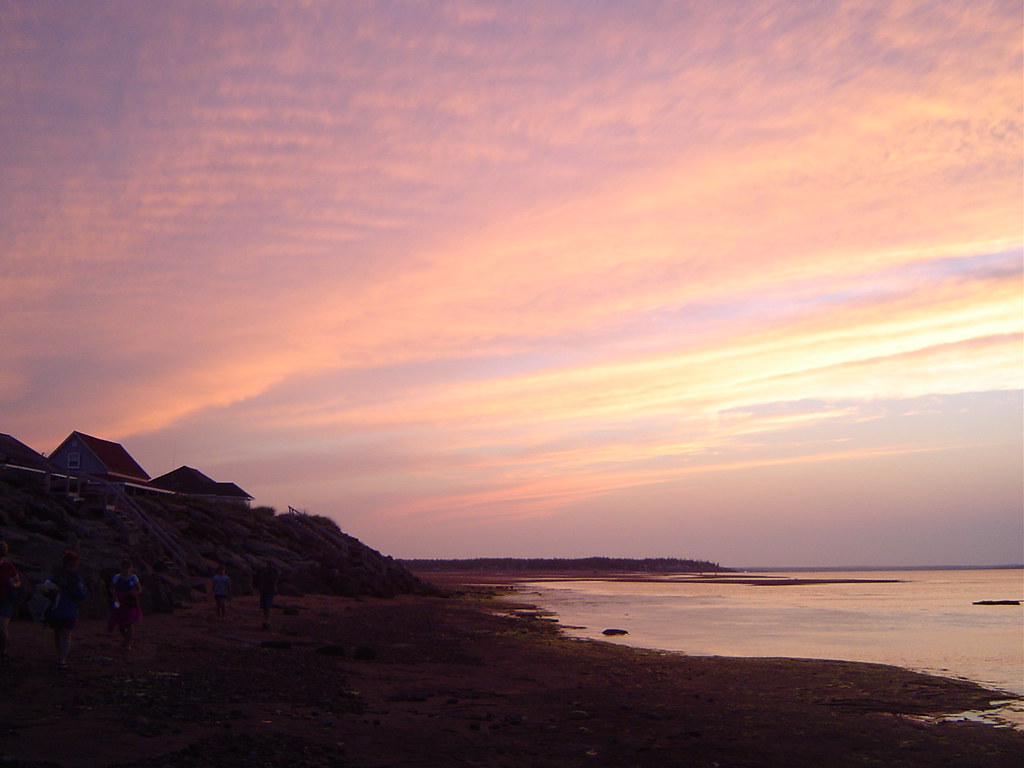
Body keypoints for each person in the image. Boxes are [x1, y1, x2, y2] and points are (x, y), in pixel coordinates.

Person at [48, 550, 87, 668]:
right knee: (58, 633)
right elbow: (47, 590)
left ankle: (62, 658)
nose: (72, 567)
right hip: (58, 608)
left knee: (66, 633)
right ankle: (60, 655)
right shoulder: (57, 577)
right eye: (70, 565)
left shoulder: (76, 579)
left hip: (69, 609)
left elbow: (82, 595)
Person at [107, 558, 142, 649]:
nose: (125, 570)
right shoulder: (117, 577)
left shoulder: (133, 577)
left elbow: (139, 589)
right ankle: (126, 639)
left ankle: (128, 643)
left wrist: (132, 595)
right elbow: (111, 588)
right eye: (124, 567)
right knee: (120, 622)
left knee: (129, 622)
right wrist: (115, 597)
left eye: (127, 568)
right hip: (119, 600)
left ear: (131, 568)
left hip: (130, 601)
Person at [0, 541, 21, 667]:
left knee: (2, 629)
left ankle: (4, 652)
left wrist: (13, 585)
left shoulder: (8, 567)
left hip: (5, 600)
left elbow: (18, 581)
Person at [253, 561, 278, 629]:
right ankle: (266, 620)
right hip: (264, 590)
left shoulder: (273, 572)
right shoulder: (263, 571)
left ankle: (267, 620)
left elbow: (274, 580)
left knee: (267, 606)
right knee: (264, 606)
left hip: (269, 591)